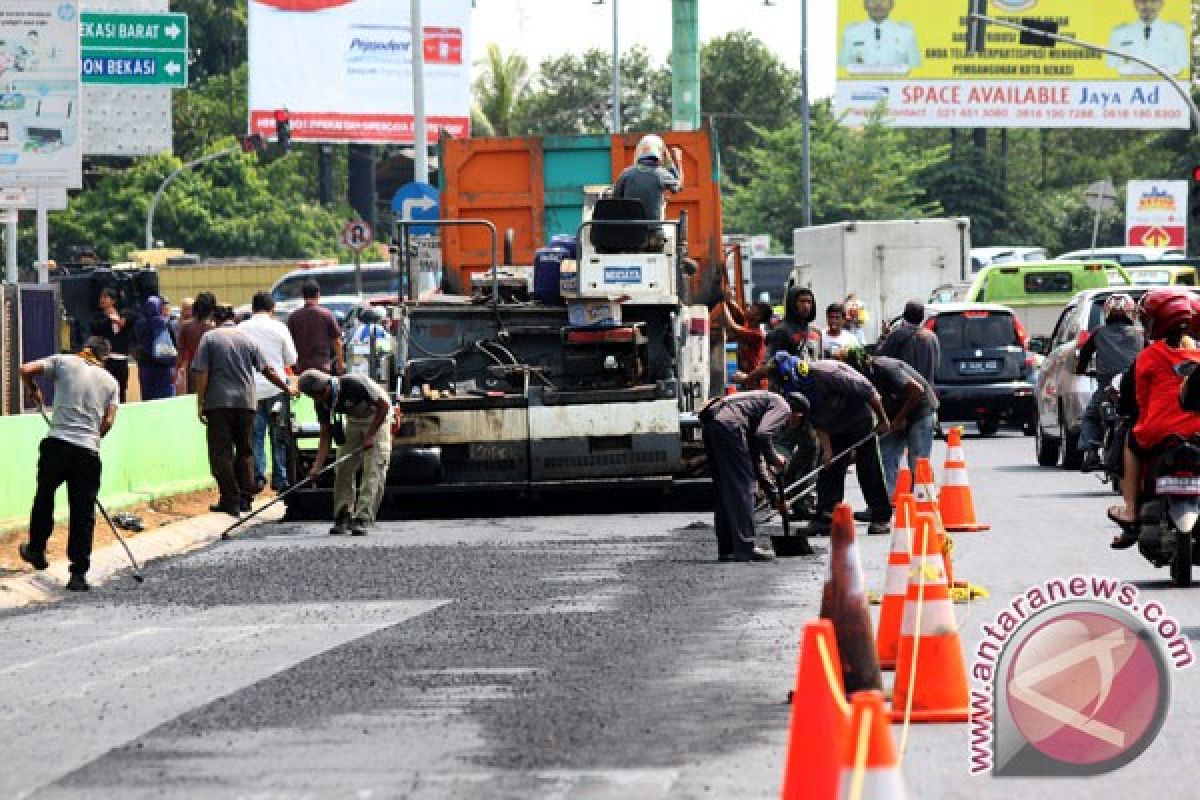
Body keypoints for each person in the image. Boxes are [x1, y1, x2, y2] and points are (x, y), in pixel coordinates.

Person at [17, 336, 120, 592]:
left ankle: (36, 550)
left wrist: (33, 389)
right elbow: (108, 421)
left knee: (44, 497)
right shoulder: (110, 382)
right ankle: (78, 574)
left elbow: (25, 369)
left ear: (84, 349)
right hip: (87, 451)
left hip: (58, 444)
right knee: (82, 513)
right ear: (104, 357)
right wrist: (94, 438)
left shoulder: (63, 362)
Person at [1108, 288, 1200, 545]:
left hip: (1157, 431)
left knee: (1130, 440)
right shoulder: (1197, 356)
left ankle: (1129, 510)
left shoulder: (1147, 357)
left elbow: (1134, 401)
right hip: (1197, 431)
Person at [192, 305, 297, 517]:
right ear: (234, 318)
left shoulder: (209, 339)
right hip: (247, 403)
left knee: (221, 453)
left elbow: (202, 372)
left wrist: (201, 402)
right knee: (245, 450)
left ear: (214, 319)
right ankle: (245, 494)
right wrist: (286, 387)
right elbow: (267, 369)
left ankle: (230, 499)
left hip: (219, 403)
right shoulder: (247, 339)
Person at [773, 354, 894, 535]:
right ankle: (826, 517)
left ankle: (881, 516)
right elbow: (816, 420)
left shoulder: (830, 373)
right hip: (833, 427)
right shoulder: (796, 391)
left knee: (868, 468)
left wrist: (883, 420)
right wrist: (827, 450)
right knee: (829, 469)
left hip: (859, 420)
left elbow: (871, 393)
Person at [700, 390, 809, 562]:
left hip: (713, 423)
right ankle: (745, 548)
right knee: (744, 487)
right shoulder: (783, 406)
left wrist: (774, 497)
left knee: (725, 489)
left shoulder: (760, 407)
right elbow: (763, 435)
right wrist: (775, 458)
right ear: (798, 415)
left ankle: (727, 549)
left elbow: (757, 458)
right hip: (729, 425)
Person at [298, 370, 395, 536]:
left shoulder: (354, 384)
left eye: (320, 393)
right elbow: (325, 435)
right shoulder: (321, 402)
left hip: (377, 416)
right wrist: (317, 467)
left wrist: (370, 435)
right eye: (314, 396)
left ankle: (363, 517)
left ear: (327, 385)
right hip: (354, 420)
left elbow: (383, 407)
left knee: (373, 468)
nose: (319, 398)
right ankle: (343, 514)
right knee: (343, 466)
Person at [839, 347, 938, 500]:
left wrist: (899, 419)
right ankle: (884, 504)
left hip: (920, 411)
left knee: (917, 460)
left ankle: (923, 501)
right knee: (885, 456)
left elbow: (917, 391)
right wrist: (882, 422)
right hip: (896, 414)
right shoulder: (862, 378)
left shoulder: (887, 368)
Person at [1076, 293, 1144, 471]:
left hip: (1107, 389)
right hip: (1135, 389)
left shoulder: (1098, 332)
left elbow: (1083, 357)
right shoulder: (1141, 334)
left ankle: (1091, 452)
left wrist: (1081, 370)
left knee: (1090, 416)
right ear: (1131, 313)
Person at [239, 291, 298, 493]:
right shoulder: (279, 327)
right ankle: (280, 478)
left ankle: (258, 477)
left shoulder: (241, 329)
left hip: (250, 391)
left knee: (255, 436)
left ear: (252, 308)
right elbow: (291, 359)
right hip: (277, 388)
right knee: (279, 435)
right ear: (272, 309)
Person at [612, 134, 682, 224]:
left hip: (629, 230)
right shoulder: (661, 174)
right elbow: (678, 186)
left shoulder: (626, 173)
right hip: (653, 230)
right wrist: (677, 162)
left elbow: (616, 199)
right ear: (659, 155)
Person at [1106, 0, 1188, 76]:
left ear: (1161, 4)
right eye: (1142, 1)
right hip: (1129, 89)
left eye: (1153, 1)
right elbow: (1112, 67)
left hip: (1166, 89)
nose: (1148, 5)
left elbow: (1183, 67)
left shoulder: (1176, 33)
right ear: (1135, 4)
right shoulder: (1119, 33)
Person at [840, 0, 920, 74]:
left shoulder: (906, 33)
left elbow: (916, 69)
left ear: (892, 4)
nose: (878, 3)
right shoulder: (851, 32)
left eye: (884, 0)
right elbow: (842, 69)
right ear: (864, 4)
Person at [712, 296, 773, 390]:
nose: (747, 309)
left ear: (758, 317)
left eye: (752, 308)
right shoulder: (747, 327)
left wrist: (722, 301)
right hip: (747, 378)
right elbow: (739, 313)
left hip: (755, 382)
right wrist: (729, 300)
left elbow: (732, 326)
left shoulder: (757, 334)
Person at [876, 300, 940, 385]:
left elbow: (880, 358)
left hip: (908, 393)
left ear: (904, 315)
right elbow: (936, 368)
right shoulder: (932, 337)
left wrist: (884, 337)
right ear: (922, 317)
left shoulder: (898, 335)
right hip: (928, 393)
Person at [288, 280, 345, 375]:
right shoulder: (326, 314)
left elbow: (290, 343)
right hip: (322, 368)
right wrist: (340, 364)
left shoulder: (294, 317)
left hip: (302, 368)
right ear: (318, 295)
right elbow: (337, 342)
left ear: (303, 296)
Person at [89, 287, 134, 402]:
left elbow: (129, 322)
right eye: (101, 297)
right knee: (104, 389)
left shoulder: (124, 314)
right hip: (105, 360)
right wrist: (109, 319)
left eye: (105, 297)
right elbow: (96, 328)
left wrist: (119, 320)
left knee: (121, 389)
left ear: (113, 301)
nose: (102, 300)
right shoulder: (98, 317)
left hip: (121, 360)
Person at [133, 295, 177, 401]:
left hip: (145, 368)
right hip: (162, 368)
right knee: (164, 400)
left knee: (148, 398)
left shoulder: (139, 323)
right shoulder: (161, 323)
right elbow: (172, 345)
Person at [765, 285, 821, 362]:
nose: (806, 306)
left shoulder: (816, 333)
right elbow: (769, 363)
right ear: (792, 303)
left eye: (809, 302)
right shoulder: (780, 332)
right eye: (802, 301)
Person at [177, 291, 217, 394]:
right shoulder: (214, 328)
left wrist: (176, 375)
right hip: (214, 373)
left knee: (196, 404)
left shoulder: (186, 327)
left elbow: (180, 355)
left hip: (193, 372)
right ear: (212, 309)